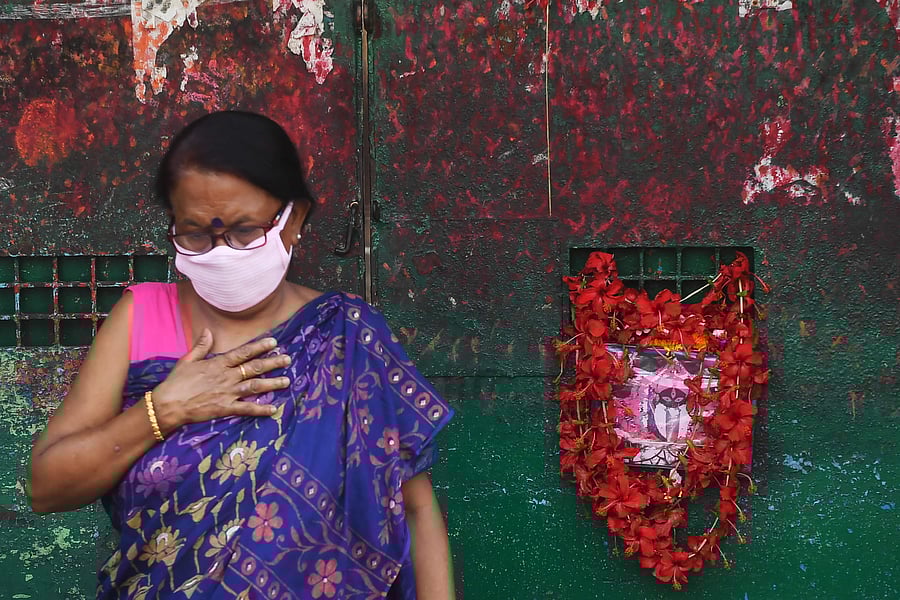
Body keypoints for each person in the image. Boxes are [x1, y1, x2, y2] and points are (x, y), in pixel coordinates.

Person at [29, 111, 455, 600]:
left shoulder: (349, 337)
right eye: (194, 234)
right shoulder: (142, 317)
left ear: (292, 218)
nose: (221, 252)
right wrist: (163, 411)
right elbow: (46, 488)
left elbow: (416, 511)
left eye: (245, 231)